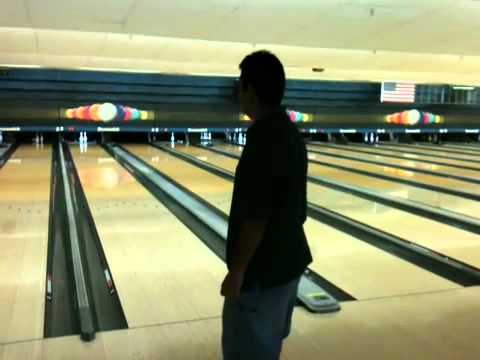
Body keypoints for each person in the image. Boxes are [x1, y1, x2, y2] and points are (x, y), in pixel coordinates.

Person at [221, 50, 313, 360]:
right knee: (268, 347)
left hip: (262, 273)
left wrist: (237, 271)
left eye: (240, 85)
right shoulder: (289, 131)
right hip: (289, 263)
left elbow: (256, 218)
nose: (238, 93)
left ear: (250, 89)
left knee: (247, 351)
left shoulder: (264, 140)